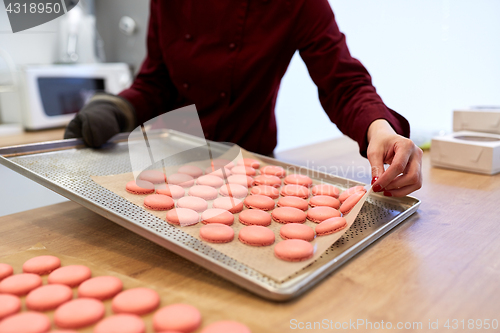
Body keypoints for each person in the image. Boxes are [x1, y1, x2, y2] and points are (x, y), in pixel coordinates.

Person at [65, 0, 422, 197]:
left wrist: (379, 130)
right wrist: (115, 109)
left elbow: (343, 82)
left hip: (250, 170)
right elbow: (155, 82)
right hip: (170, 165)